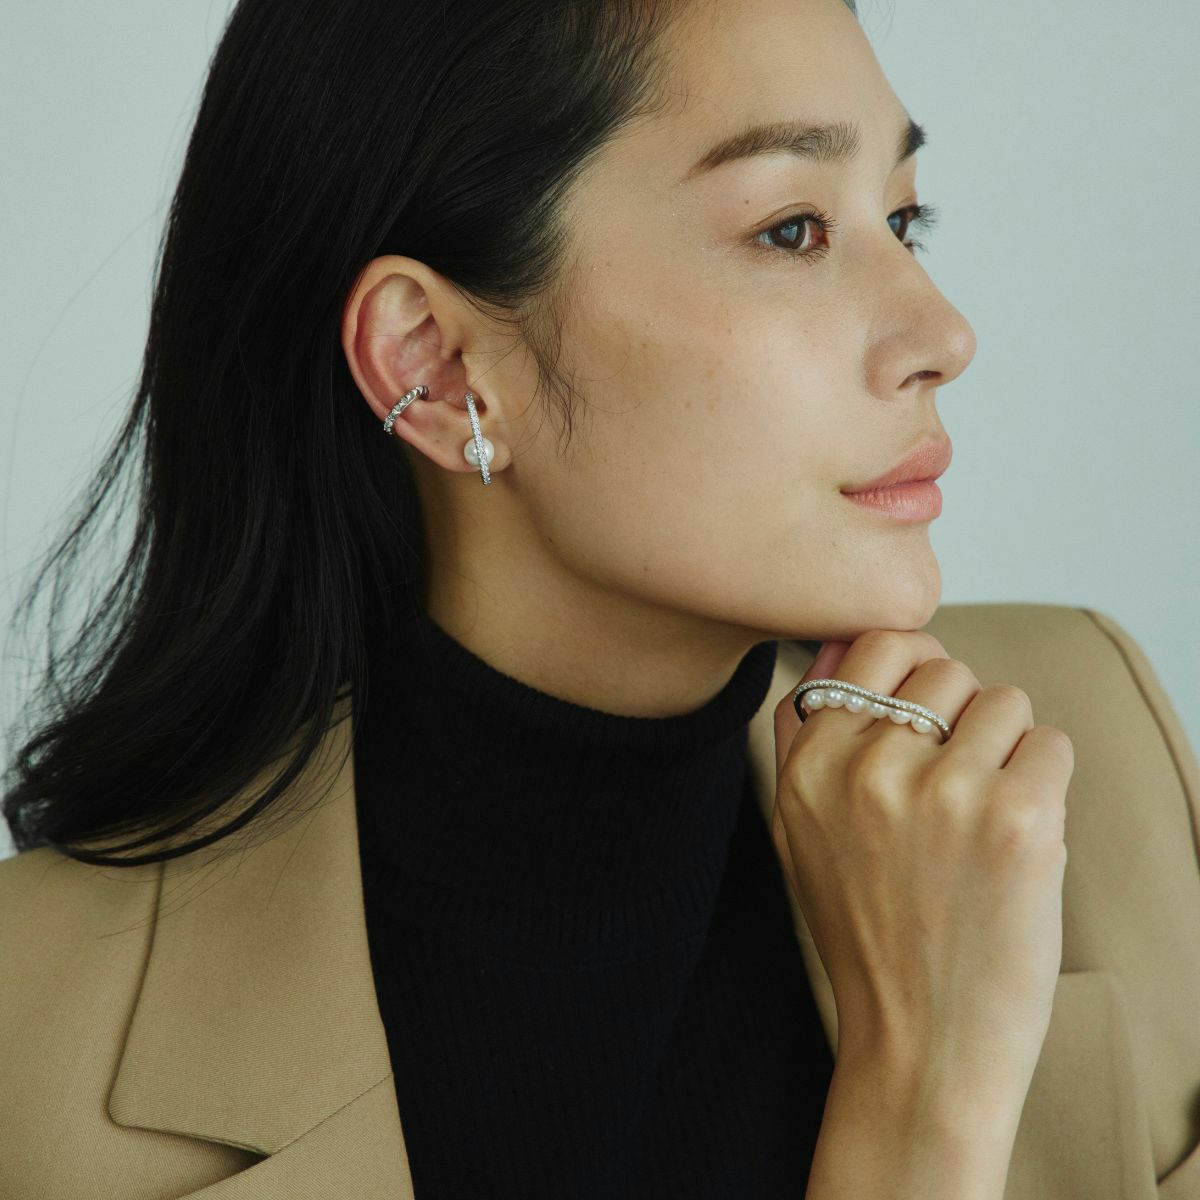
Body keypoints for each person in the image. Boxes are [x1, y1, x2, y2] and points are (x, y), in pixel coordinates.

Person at [3, 1, 1197, 1197]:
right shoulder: (30, 1044)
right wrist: (923, 1108)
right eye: (791, 229)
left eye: (903, 218)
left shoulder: (1091, 755)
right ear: (436, 365)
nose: (944, 335)